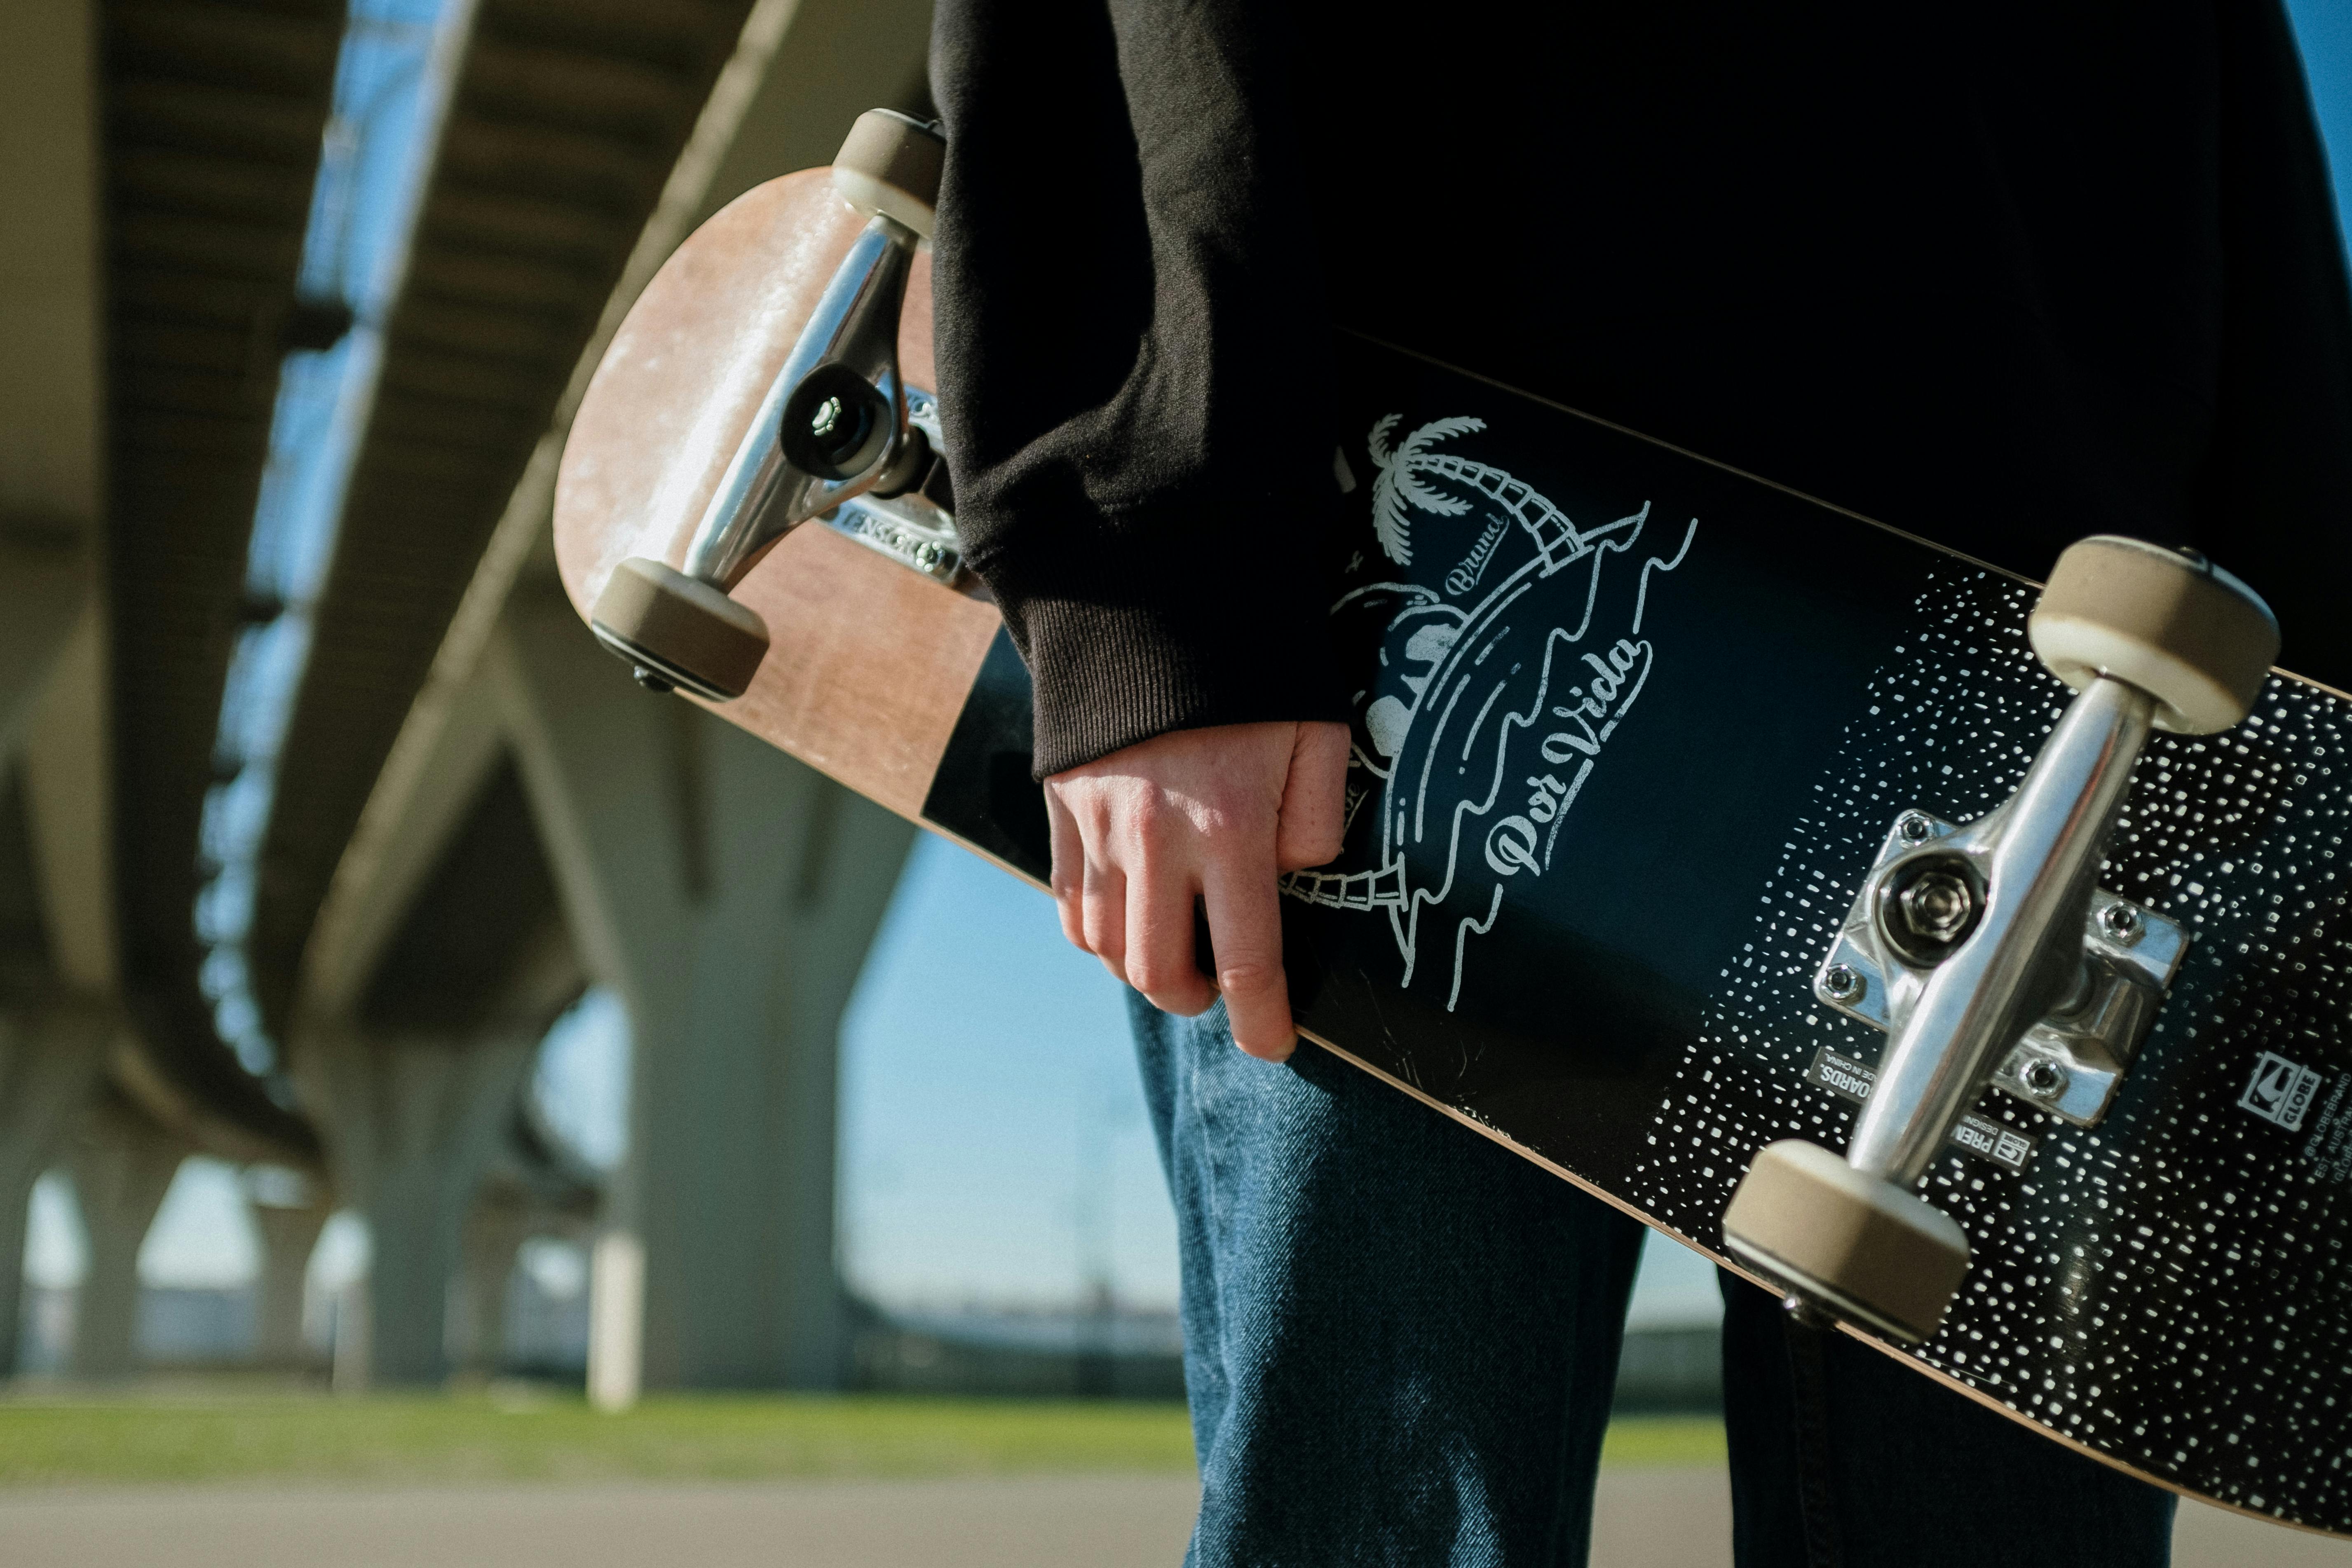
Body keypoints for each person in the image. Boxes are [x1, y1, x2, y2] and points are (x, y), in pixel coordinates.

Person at [925, 3, 2352, 1563]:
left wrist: (2305, 770)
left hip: (2057, 688)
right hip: (1430, 576)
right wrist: (1161, 559)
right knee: (1386, 1529)